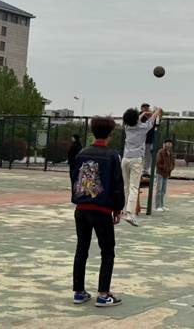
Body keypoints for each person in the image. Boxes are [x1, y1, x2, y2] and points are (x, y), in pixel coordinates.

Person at [71, 116, 125, 308]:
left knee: (81, 249)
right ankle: (103, 294)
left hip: (81, 208)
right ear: (110, 133)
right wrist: (118, 207)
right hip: (102, 209)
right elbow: (117, 184)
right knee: (107, 251)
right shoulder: (112, 155)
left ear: (93, 132)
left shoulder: (82, 153)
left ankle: (79, 292)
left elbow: (74, 177)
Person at [121, 106, 162, 227]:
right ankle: (130, 214)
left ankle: (124, 210)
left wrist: (142, 114)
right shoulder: (143, 128)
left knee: (126, 187)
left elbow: (134, 120)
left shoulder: (127, 127)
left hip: (125, 159)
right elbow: (152, 119)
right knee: (134, 187)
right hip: (136, 160)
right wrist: (157, 111)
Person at [155, 139, 175, 212]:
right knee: (159, 190)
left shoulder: (171, 153)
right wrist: (165, 167)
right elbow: (158, 163)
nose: (169, 145)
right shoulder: (160, 152)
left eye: (170, 144)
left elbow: (173, 163)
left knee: (163, 190)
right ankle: (158, 206)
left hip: (166, 174)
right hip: (160, 173)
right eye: (168, 143)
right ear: (164, 144)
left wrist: (171, 168)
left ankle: (162, 205)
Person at [141, 103, 160, 177]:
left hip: (149, 140)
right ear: (142, 108)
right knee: (140, 156)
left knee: (148, 156)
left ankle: (145, 171)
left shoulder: (151, 116)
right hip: (140, 140)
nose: (146, 109)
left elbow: (157, 118)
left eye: (147, 107)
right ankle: (141, 170)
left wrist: (153, 113)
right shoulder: (139, 116)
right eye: (144, 107)